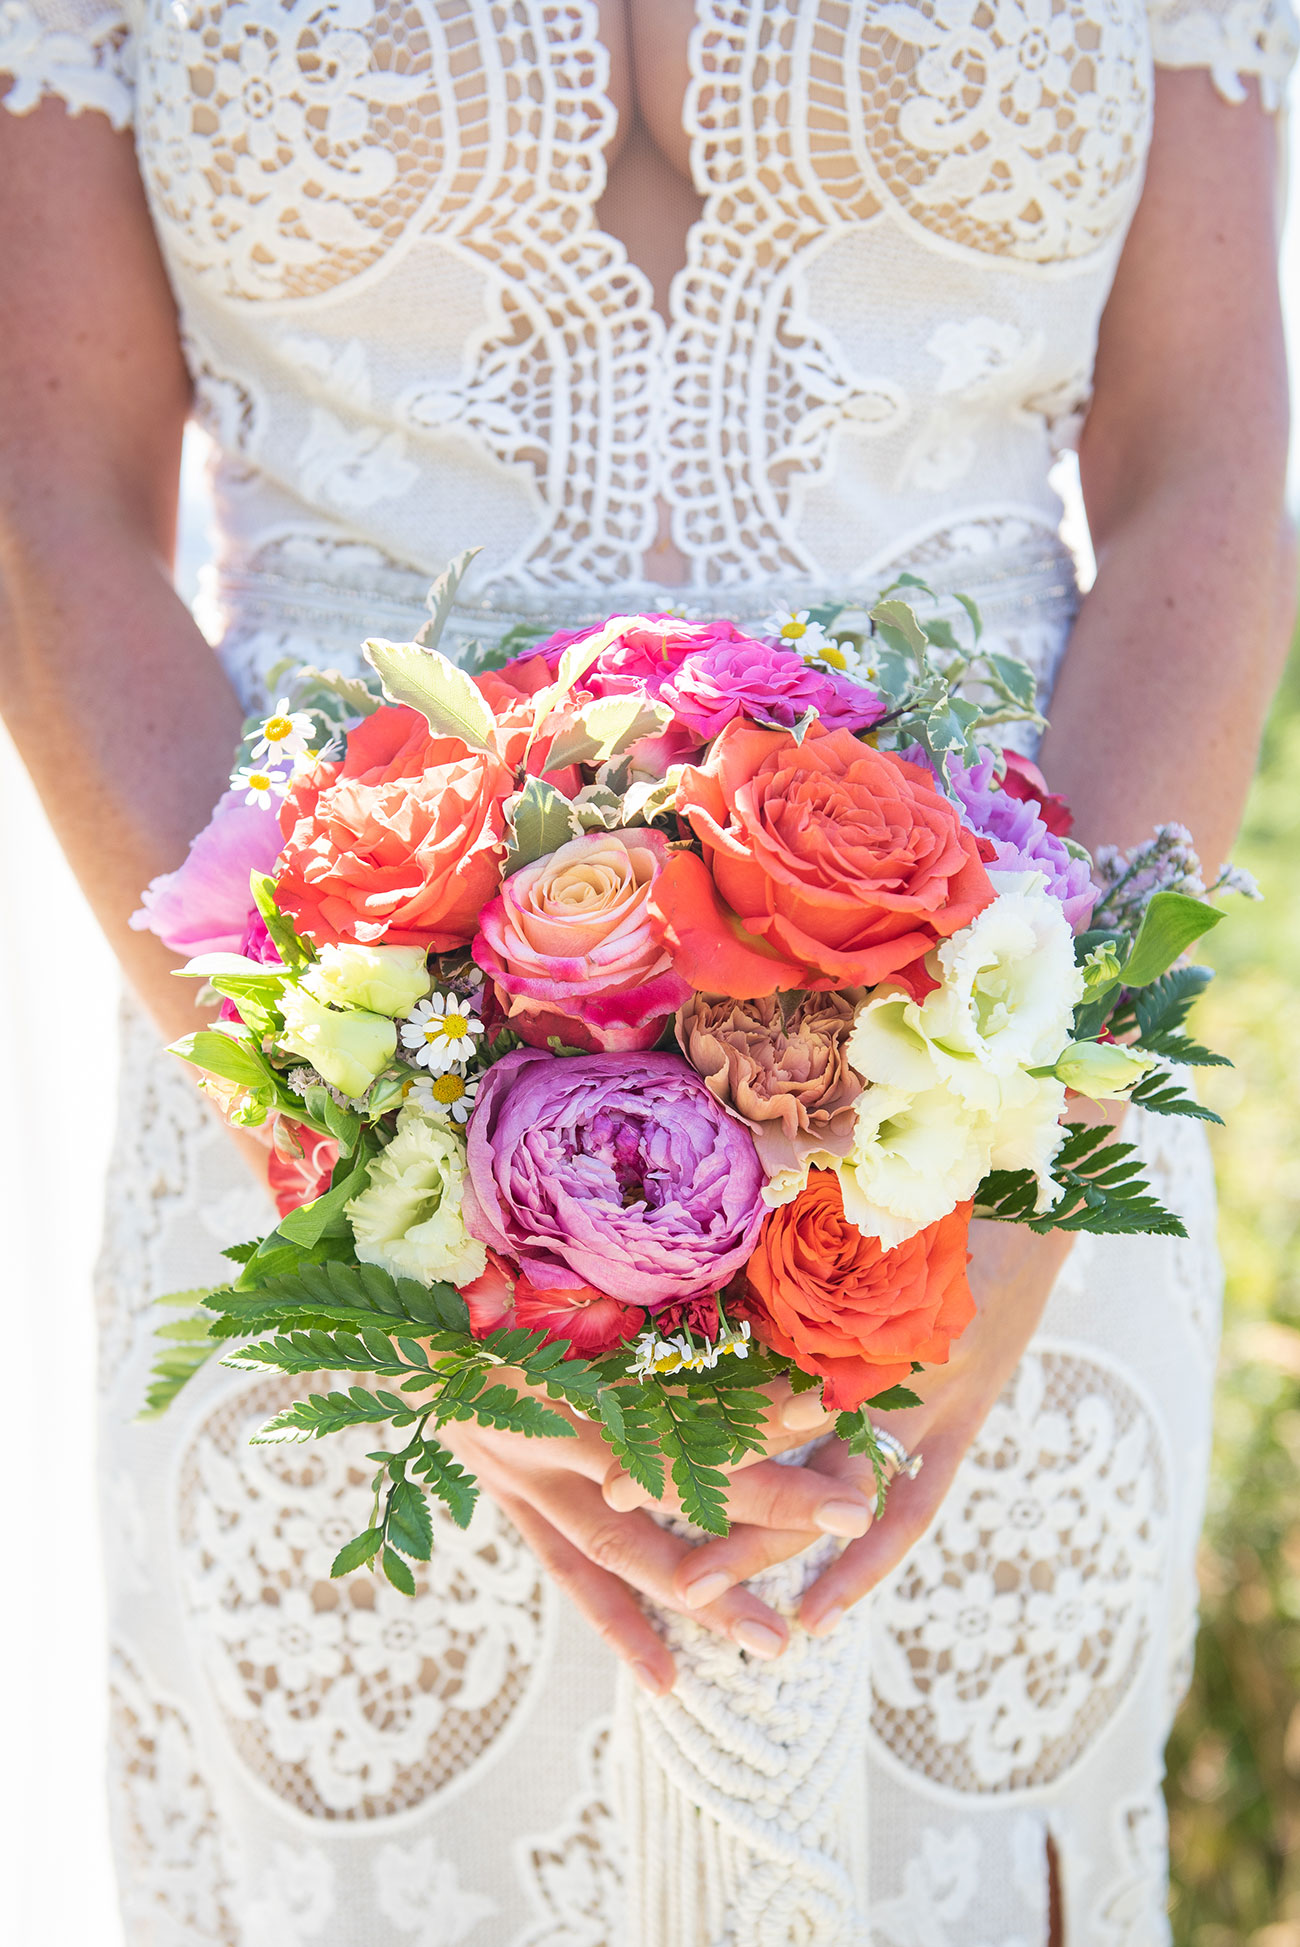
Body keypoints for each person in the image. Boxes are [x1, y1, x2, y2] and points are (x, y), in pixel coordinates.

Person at [1, 2, 1295, 1940]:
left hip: (997, 1126)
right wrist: (365, 1198)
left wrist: (1020, 1184)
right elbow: (49, 493)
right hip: (317, 1107)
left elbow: (1205, 457)